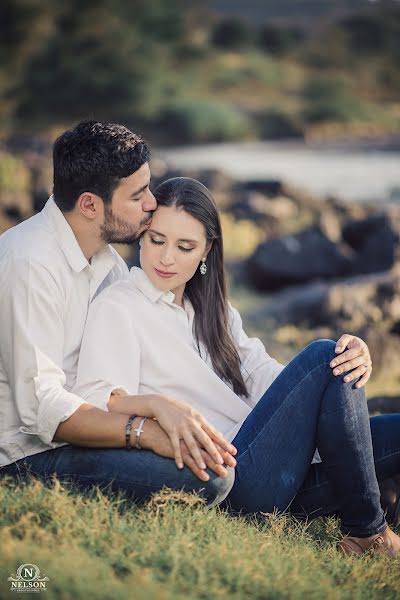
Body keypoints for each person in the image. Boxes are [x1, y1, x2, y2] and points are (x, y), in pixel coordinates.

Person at [72, 176, 400, 558]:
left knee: (344, 365)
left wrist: (350, 359)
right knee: (325, 354)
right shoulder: (119, 306)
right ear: (142, 236)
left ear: (207, 251)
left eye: (185, 246)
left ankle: (368, 513)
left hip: (281, 472)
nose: (166, 258)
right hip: (234, 479)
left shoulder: (215, 312)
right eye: (157, 240)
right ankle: (369, 532)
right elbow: (99, 398)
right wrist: (157, 404)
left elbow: (267, 378)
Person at [0, 122, 235, 509]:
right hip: (28, 456)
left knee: (211, 458)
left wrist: (166, 408)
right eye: (138, 195)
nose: (151, 204)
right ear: (91, 204)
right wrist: (142, 431)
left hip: (86, 432)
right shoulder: (30, 264)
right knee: (212, 478)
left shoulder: (107, 263)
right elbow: (41, 409)